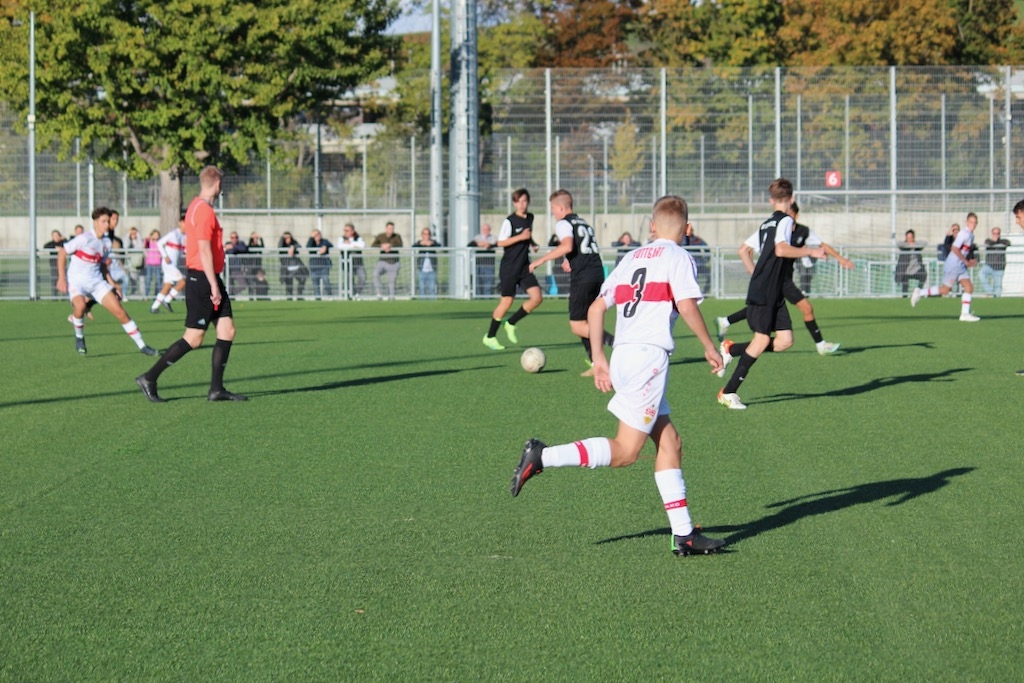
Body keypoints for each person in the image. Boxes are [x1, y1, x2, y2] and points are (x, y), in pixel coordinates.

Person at [509, 194, 726, 557]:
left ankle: (684, 534)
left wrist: (599, 357)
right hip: (647, 358)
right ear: (687, 229)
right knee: (626, 451)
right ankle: (543, 456)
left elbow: (596, 308)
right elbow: (686, 304)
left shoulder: (632, 257)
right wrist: (708, 345)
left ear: (652, 227)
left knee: (670, 442)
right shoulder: (679, 256)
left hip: (623, 355)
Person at [136, 166, 247, 403]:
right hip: (203, 279)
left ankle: (216, 389)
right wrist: (213, 285)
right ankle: (149, 377)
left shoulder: (195, 206)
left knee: (227, 331)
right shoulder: (204, 211)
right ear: (217, 184)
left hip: (207, 278)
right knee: (194, 338)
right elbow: (204, 251)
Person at [716, 178, 826, 410]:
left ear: (771, 200)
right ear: (792, 199)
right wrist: (810, 251)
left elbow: (743, 250)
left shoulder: (767, 224)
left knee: (785, 341)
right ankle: (728, 392)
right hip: (766, 290)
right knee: (763, 339)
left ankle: (731, 349)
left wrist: (756, 273)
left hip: (772, 290)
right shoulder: (786, 220)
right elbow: (781, 249)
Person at [716, 200, 851, 356]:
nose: (787, 216)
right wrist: (753, 269)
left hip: (784, 279)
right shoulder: (774, 227)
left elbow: (823, 245)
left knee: (766, 310)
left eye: (790, 214)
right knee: (804, 308)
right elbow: (748, 249)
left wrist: (840, 259)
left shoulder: (803, 231)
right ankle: (821, 344)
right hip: (780, 281)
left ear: (796, 215)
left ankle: (726, 323)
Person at [529, 189, 614, 375]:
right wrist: (570, 260)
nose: (552, 212)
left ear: (560, 207)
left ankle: (616, 343)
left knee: (577, 326)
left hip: (583, 277)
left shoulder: (563, 223)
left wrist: (540, 260)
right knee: (587, 321)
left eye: (553, 208)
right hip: (596, 273)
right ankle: (597, 364)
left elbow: (567, 245)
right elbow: (582, 248)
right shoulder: (582, 222)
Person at [55, 207, 157, 356]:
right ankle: (79, 337)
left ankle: (142, 346)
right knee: (80, 307)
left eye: (108, 221)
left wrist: (113, 285)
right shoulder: (84, 238)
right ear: (95, 222)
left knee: (120, 312)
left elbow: (103, 266)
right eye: (103, 221)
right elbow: (62, 253)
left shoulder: (107, 242)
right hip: (77, 282)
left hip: (96, 283)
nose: (107, 224)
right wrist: (61, 278)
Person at [482, 188, 542, 350]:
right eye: (519, 201)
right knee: (507, 301)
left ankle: (511, 322)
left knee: (537, 298)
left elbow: (527, 234)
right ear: (514, 203)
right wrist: (521, 237)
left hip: (524, 267)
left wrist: (532, 243)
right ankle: (490, 337)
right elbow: (501, 242)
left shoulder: (530, 217)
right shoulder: (509, 221)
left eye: (525, 201)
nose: (522, 204)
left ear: (528, 202)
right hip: (509, 267)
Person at [911, 212, 980, 321]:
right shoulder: (964, 233)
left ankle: (965, 314)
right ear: (967, 222)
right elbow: (954, 248)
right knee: (945, 290)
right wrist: (965, 261)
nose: (973, 224)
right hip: (953, 265)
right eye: (971, 222)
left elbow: (963, 251)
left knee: (969, 287)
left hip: (960, 266)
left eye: (975, 223)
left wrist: (969, 261)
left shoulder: (971, 235)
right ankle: (920, 292)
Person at [150, 217, 186, 313]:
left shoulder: (184, 236)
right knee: (182, 282)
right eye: (184, 222)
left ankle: (154, 307)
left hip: (174, 264)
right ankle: (167, 300)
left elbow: (184, 249)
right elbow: (159, 243)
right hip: (168, 264)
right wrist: (165, 256)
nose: (186, 225)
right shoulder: (174, 234)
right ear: (180, 223)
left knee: (167, 286)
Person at [372, 222, 403, 299]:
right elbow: (373, 245)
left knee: (392, 280)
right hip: (382, 260)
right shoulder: (381, 236)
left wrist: (390, 246)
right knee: (375, 274)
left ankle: (391, 296)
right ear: (386, 228)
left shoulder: (397, 236)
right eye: (389, 228)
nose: (391, 230)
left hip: (393, 261)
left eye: (392, 228)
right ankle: (379, 293)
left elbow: (400, 245)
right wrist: (382, 246)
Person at [978, 226, 1010, 297]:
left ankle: (996, 299)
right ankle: (990, 291)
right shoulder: (988, 241)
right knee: (981, 274)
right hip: (989, 266)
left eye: (997, 233)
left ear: (1000, 234)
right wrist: (996, 243)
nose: (996, 235)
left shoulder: (1003, 241)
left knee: (998, 287)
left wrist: (996, 243)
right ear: (992, 234)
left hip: (999, 268)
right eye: (994, 233)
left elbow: (1008, 243)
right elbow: (988, 243)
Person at [894, 229, 927, 297]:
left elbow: (924, 243)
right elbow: (899, 244)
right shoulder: (904, 246)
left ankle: (917, 292)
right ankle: (904, 297)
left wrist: (914, 245)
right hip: (906, 270)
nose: (909, 239)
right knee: (905, 284)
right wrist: (909, 245)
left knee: (923, 275)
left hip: (916, 269)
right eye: (907, 238)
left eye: (910, 238)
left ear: (913, 238)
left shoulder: (917, 246)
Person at [338, 223, 367, 298]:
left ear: (352, 231)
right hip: (347, 265)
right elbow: (340, 246)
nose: (345, 232)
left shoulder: (358, 238)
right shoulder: (341, 238)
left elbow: (362, 245)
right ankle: (350, 295)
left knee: (363, 277)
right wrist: (354, 246)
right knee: (349, 280)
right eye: (344, 230)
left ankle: (357, 293)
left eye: (347, 230)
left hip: (358, 263)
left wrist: (350, 243)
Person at [469, 223, 497, 296]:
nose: (485, 231)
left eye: (487, 229)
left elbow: (493, 244)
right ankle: (478, 296)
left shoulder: (493, 237)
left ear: (489, 230)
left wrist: (486, 244)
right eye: (484, 229)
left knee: (488, 281)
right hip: (479, 263)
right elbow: (470, 244)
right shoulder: (477, 237)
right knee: (478, 280)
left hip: (489, 263)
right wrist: (479, 244)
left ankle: (487, 296)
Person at [278, 231, 307, 298]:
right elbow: (279, 246)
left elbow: (299, 245)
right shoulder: (282, 245)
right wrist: (282, 237)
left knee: (302, 279)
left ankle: (299, 294)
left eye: (289, 237)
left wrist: (293, 247)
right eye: (286, 238)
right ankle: (289, 296)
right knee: (289, 284)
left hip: (296, 267)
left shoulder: (294, 243)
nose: (288, 239)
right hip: (287, 269)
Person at [306, 229, 334, 298]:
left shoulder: (324, 241)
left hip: (324, 266)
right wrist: (311, 238)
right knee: (315, 284)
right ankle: (317, 297)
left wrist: (325, 247)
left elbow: (330, 245)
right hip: (314, 267)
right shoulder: (311, 243)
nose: (317, 236)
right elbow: (308, 247)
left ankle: (329, 296)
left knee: (326, 281)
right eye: (315, 235)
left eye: (318, 234)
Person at [683, 223, 711, 292]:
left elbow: (706, 249)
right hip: (686, 266)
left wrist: (704, 260)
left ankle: (705, 292)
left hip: (699, 265)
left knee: (710, 274)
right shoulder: (681, 240)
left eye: (690, 230)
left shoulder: (697, 240)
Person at [415, 227, 441, 299]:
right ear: (422, 235)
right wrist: (421, 244)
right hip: (421, 269)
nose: (426, 235)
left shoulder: (433, 243)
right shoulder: (419, 243)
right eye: (425, 234)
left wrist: (432, 244)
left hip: (432, 269)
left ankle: (432, 302)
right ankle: (422, 302)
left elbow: (439, 246)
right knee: (422, 288)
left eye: (428, 234)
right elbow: (414, 246)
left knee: (432, 288)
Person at [224, 230, 250, 295]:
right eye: (232, 237)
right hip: (229, 270)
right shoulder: (227, 244)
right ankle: (230, 295)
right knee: (229, 287)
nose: (234, 239)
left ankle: (232, 294)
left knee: (243, 285)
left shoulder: (241, 244)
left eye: (236, 237)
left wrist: (233, 247)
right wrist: (229, 248)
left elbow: (243, 248)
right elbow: (228, 251)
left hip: (238, 270)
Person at [124, 226, 146, 298]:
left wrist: (138, 235)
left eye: (135, 233)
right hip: (132, 264)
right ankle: (133, 293)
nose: (133, 235)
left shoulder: (140, 241)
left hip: (140, 263)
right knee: (133, 280)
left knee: (142, 280)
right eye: (132, 233)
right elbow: (125, 246)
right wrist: (128, 234)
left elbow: (140, 246)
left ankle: (143, 295)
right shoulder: (129, 242)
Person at [43, 229, 65, 296]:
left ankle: (64, 295)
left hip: (63, 265)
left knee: (64, 279)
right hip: (54, 264)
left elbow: (68, 245)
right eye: (54, 236)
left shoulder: (63, 242)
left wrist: (61, 247)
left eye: (57, 235)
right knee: (54, 279)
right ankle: (54, 295)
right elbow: (45, 246)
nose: (56, 237)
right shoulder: (51, 243)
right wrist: (55, 248)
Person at [143, 230, 163, 299]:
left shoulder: (160, 242)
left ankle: (160, 296)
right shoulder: (149, 242)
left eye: (157, 235)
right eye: (154, 235)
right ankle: (146, 296)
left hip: (158, 263)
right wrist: (148, 239)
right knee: (148, 280)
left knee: (158, 280)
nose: (156, 236)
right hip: (150, 263)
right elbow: (144, 245)